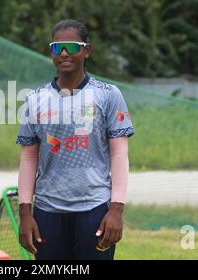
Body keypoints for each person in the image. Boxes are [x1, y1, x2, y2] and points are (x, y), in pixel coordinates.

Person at [16, 19, 134, 260]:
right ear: (51, 52)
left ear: (86, 50)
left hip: (94, 209)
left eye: (72, 46)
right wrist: (25, 213)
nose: (65, 53)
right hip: (47, 212)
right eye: (58, 48)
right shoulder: (34, 99)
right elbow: (29, 158)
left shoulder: (108, 94)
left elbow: (119, 155)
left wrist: (116, 209)